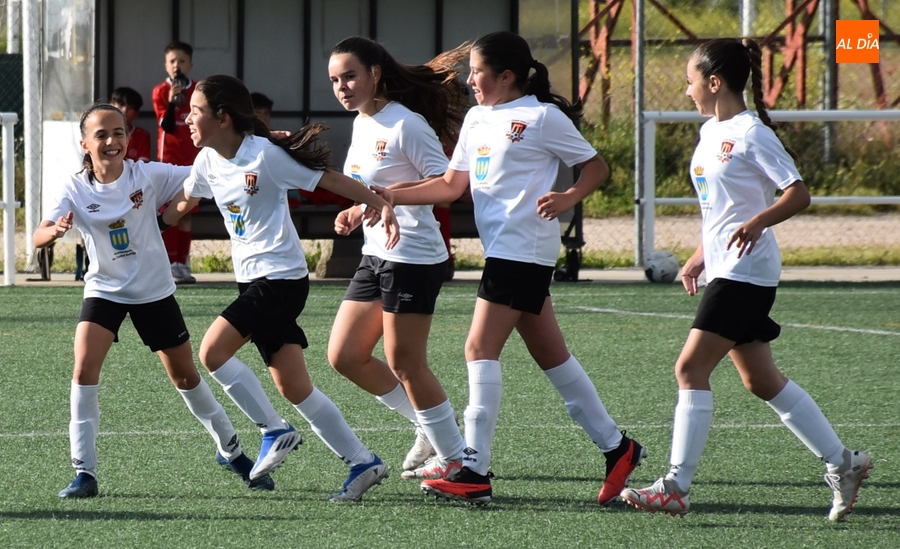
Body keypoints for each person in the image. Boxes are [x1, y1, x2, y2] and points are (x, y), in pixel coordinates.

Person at [374, 31, 645, 505]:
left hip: (526, 247)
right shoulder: (478, 118)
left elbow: (596, 167)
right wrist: (390, 196)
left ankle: (473, 468)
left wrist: (568, 196)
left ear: (506, 76)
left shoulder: (541, 117)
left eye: (477, 72)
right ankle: (618, 448)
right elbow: (449, 186)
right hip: (503, 249)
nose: (470, 80)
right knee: (552, 356)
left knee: (479, 346)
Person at [620, 38, 873, 521]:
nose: (686, 88)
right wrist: (699, 255)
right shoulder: (710, 132)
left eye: (691, 79)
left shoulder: (751, 132)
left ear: (714, 82)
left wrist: (759, 222)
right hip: (725, 267)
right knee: (761, 380)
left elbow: (798, 195)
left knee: (689, 368)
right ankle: (844, 462)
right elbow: (723, 210)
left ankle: (675, 485)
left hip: (746, 272)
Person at [161, 74, 402, 502]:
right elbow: (183, 203)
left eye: (195, 112)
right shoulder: (207, 162)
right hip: (252, 282)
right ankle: (362, 461)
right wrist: (142, 220)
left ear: (223, 117)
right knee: (295, 387)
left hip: (282, 281)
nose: (187, 119)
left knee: (212, 352)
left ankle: (274, 430)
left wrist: (378, 201)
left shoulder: (265, 155)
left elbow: (328, 179)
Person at [35, 103, 274, 499]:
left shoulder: (146, 174)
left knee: (185, 376)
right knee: (83, 369)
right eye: (102, 135)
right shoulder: (75, 188)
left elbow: (203, 174)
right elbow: (39, 234)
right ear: (85, 144)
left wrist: (254, 152)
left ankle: (230, 449)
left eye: (119, 132)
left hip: (153, 291)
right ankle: (84, 472)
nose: (112, 141)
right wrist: (55, 231)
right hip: (104, 291)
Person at [326, 36, 470, 479]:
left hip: (413, 256)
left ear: (375, 74)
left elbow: (445, 185)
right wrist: (356, 209)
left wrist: (391, 198)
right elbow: (369, 189)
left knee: (405, 362)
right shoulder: (361, 124)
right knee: (345, 355)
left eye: (350, 76)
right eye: (335, 80)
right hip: (375, 254)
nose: (343, 87)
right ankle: (428, 427)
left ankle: (457, 459)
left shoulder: (405, 124)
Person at [152, 40, 200, 284]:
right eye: (172, 61)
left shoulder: (198, 92)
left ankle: (183, 262)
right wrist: (172, 102)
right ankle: (170, 263)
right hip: (168, 162)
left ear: (190, 64)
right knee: (171, 212)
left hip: (191, 161)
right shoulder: (161, 91)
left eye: (181, 61)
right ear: (165, 65)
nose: (177, 66)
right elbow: (167, 125)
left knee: (188, 211)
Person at [110, 87, 151, 162]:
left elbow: (143, 165)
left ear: (137, 114)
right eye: (121, 105)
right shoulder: (101, 132)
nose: (125, 110)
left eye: (130, 108)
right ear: (111, 106)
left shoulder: (142, 135)